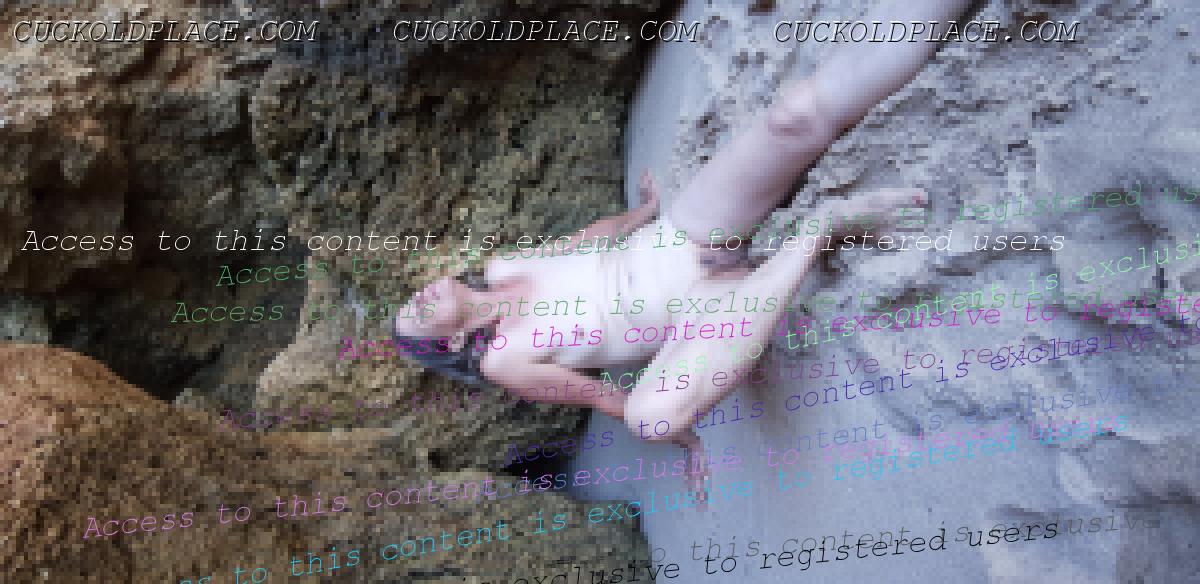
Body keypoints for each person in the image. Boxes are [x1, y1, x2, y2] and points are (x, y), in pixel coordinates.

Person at [394, 0, 972, 498]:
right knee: (649, 417)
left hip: (681, 236)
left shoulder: (501, 267)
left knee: (792, 117)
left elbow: (589, 240)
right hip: (700, 310)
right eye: (418, 315)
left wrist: (644, 213)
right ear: (452, 341)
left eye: (411, 299)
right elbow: (598, 395)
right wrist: (685, 436)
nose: (419, 297)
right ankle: (819, 231)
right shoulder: (503, 361)